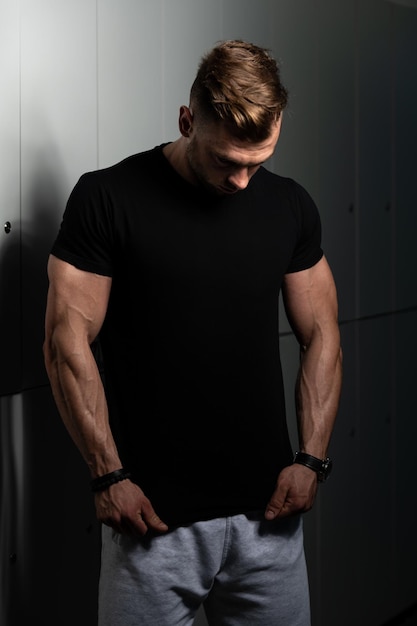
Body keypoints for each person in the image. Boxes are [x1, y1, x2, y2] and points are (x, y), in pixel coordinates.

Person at [43, 40, 342, 626]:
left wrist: (312, 459)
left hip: (269, 523)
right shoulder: (108, 198)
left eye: (257, 161)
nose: (241, 181)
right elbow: (65, 341)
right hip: (152, 523)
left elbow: (323, 333)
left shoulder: (290, 206)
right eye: (224, 160)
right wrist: (107, 474)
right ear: (187, 121)